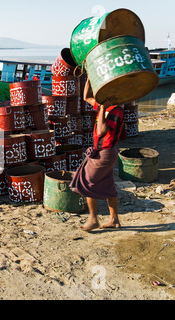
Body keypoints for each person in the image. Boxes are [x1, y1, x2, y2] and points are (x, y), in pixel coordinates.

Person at [70, 78, 125, 232]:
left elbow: (101, 130)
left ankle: (93, 219)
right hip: (105, 153)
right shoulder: (106, 107)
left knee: (87, 183)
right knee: (108, 185)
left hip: (105, 153)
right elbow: (86, 97)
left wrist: (102, 108)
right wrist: (89, 78)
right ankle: (114, 220)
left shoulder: (116, 111)